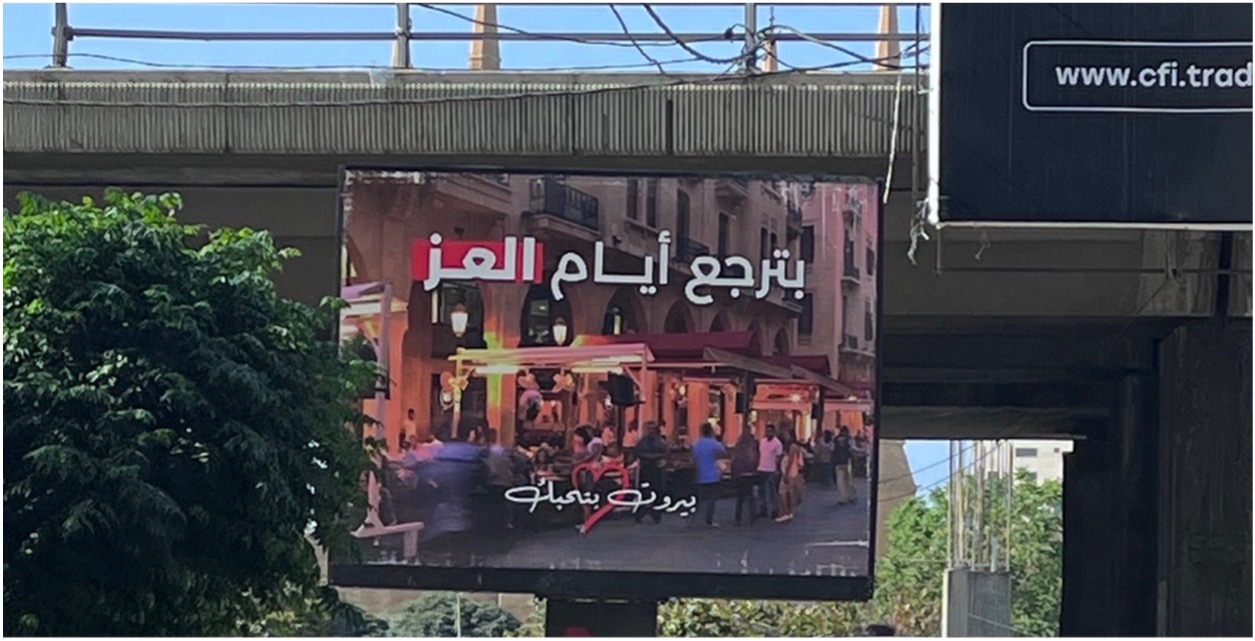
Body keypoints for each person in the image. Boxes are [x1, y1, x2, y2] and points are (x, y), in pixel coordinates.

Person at [690, 423, 728, 528]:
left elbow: (693, 458)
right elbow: (723, 452)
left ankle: (698, 519)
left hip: (700, 474)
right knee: (712, 499)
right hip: (713, 474)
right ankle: (709, 520)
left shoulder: (697, 444)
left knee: (701, 498)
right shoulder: (714, 443)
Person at [633, 422, 668, 524]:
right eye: (649, 429)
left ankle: (656, 515)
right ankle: (640, 514)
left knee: (657, 492)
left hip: (657, 470)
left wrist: (655, 457)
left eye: (653, 429)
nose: (651, 431)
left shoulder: (661, 442)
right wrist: (649, 457)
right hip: (645, 469)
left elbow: (666, 453)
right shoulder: (642, 442)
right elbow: (637, 452)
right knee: (644, 492)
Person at [730, 428, 761, 526]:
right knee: (751, 496)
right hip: (750, 473)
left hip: (740, 474)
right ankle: (752, 516)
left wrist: (733, 473)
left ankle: (738, 518)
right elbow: (756, 459)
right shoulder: (753, 446)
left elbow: (733, 460)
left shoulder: (739, 447)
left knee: (740, 497)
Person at [776, 427, 805, 523]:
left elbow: (791, 460)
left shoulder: (792, 447)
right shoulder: (793, 446)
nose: (785, 436)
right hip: (792, 472)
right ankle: (788, 512)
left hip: (790, 472)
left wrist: (786, 473)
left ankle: (787, 512)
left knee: (783, 491)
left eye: (786, 434)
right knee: (789, 492)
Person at [756, 424, 784, 521]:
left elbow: (778, 458)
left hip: (771, 470)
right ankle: (763, 509)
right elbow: (759, 454)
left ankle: (775, 510)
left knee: (772, 492)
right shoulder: (762, 441)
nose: (768, 433)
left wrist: (777, 470)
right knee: (762, 491)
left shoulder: (777, 443)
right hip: (761, 468)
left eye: (770, 431)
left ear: (774, 432)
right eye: (767, 431)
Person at [834, 426, 856, 505]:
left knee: (840, 481)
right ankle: (851, 496)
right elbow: (853, 448)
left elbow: (831, 449)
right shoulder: (849, 439)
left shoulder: (835, 440)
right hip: (847, 461)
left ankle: (842, 498)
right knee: (849, 480)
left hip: (838, 462)